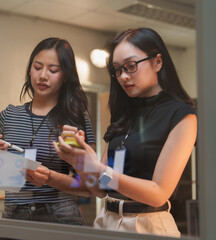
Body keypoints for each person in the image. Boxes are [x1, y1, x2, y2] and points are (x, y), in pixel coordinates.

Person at [54, 28, 197, 237]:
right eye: (117, 70)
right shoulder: (123, 114)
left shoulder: (182, 116)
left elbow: (159, 193)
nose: (123, 76)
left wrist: (100, 169)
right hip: (107, 220)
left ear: (157, 62)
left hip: (147, 225)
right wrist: (81, 162)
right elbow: (100, 190)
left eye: (130, 66)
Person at [0, 37, 97, 230]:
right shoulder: (9, 115)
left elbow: (89, 187)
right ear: (30, 70)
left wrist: (50, 177)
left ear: (66, 76)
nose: (43, 75)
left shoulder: (73, 122)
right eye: (37, 67)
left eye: (53, 70)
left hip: (59, 215)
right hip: (14, 215)